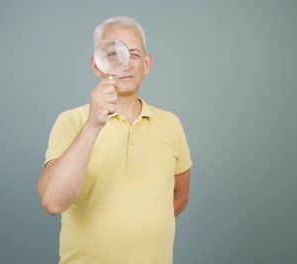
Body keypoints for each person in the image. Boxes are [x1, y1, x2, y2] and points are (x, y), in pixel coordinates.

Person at [37, 16, 192, 264]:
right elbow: (52, 201)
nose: (125, 64)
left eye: (134, 54)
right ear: (96, 65)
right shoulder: (71, 121)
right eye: (113, 54)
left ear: (147, 64)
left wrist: (139, 230)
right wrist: (93, 125)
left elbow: (180, 195)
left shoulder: (171, 124)